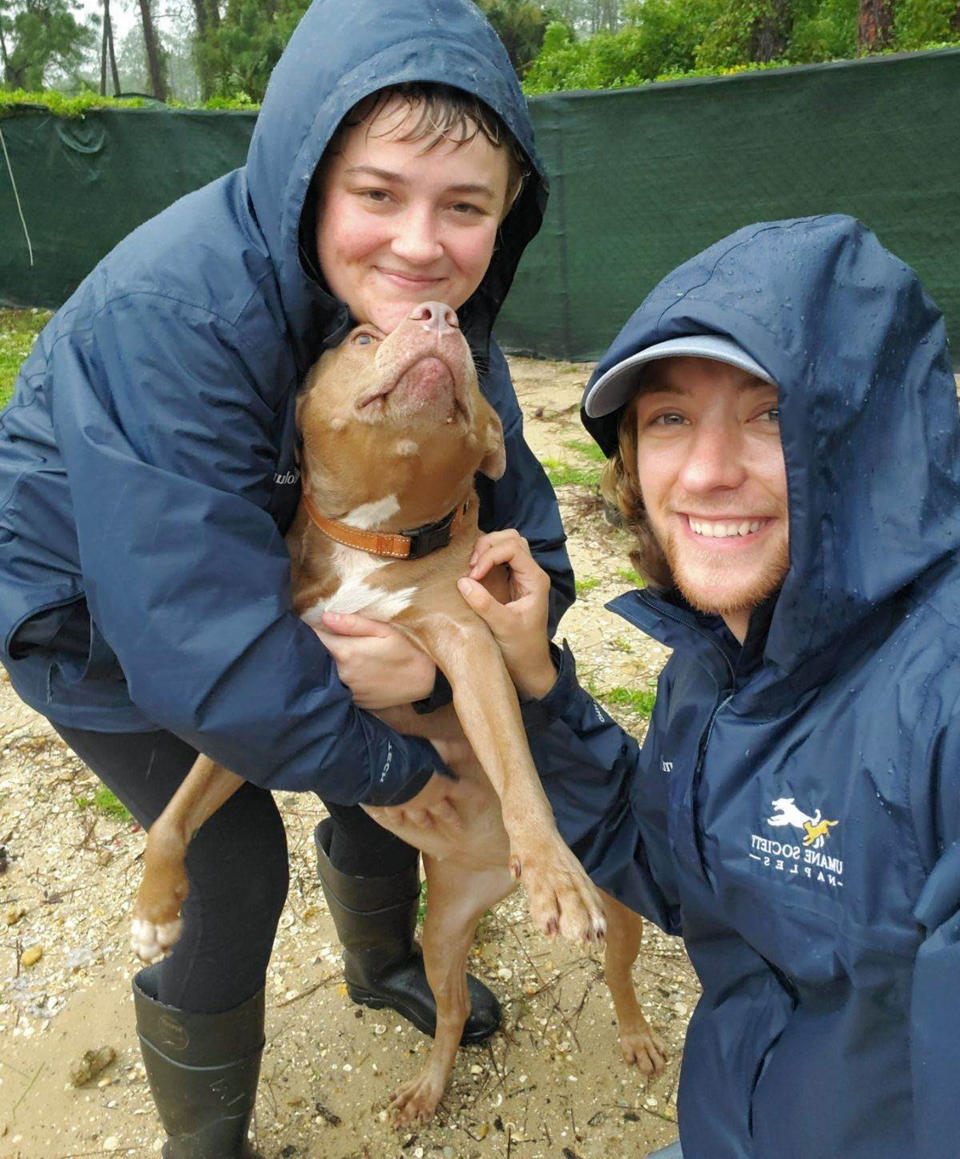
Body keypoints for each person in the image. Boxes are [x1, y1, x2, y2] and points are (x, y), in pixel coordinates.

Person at [0, 1, 575, 1155]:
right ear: (308, 175)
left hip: (270, 585)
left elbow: (522, 535)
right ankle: (203, 1139)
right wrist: (392, 751)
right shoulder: (177, 310)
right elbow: (191, 637)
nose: (421, 246)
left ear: (505, 216)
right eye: (378, 193)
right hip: (99, 615)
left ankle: (381, 963)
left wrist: (507, 637)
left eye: (463, 207)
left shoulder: (433, 324)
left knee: (380, 743)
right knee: (235, 857)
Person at [456, 215, 960, 1159]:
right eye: (670, 417)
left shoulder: (939, 704)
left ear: (871, 433)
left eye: (772, 414)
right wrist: (538, 678)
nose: (707, 471)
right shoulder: (720, 657)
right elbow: (681, 879)